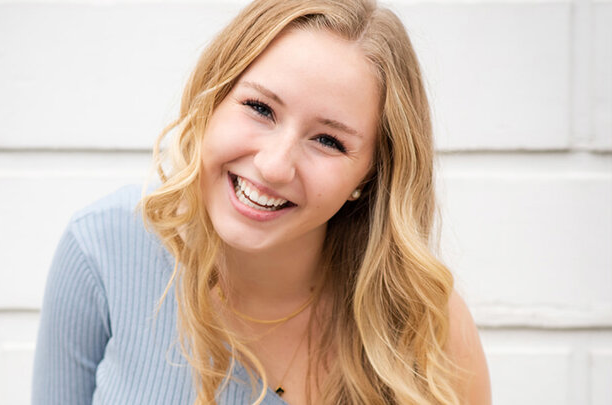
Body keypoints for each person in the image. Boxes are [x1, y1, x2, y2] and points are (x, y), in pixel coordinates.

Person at [32, 0, 492, 404]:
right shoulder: (102, 250)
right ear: (213, 97)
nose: (274, 166)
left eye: (328, 140)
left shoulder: (425, 320)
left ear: (370, 176)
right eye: (260, 108)